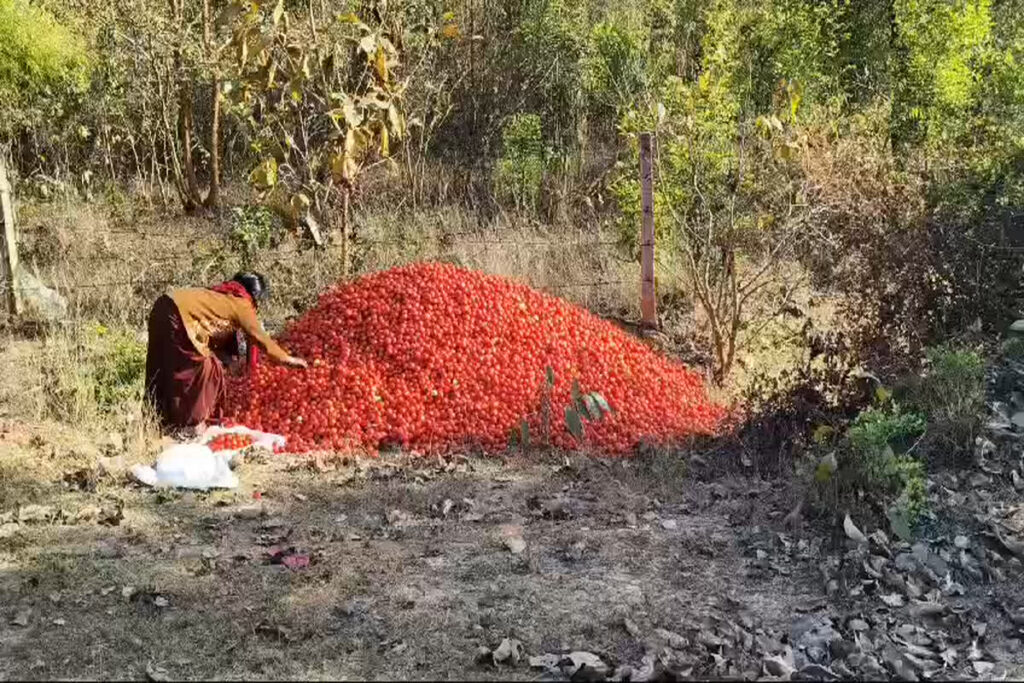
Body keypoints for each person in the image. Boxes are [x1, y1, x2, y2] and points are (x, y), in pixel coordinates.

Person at [144, 272, 307, 429]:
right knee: (207, 370)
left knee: (163, 364)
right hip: (179, 316)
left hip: (162, 306)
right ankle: (192, 424)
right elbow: (258, 336)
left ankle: (160, 421)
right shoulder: (241, 303)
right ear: (254, 295)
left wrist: (229, 360)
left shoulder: (219, 295)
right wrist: (287, 359)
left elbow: (211, 334)